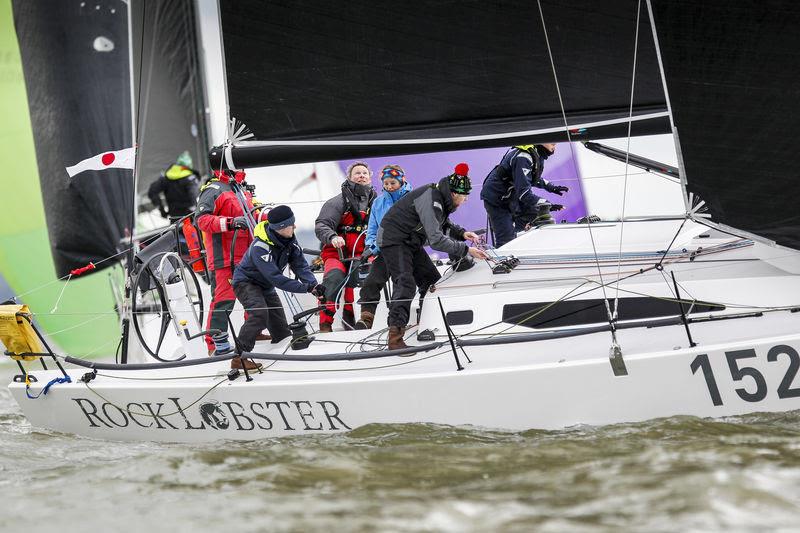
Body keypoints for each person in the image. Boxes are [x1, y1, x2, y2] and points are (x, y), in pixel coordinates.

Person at [378, 163, 488, 350]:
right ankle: (395, 339)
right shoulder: (433, 200)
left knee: (432, 283)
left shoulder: (440, 197)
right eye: (465, 196)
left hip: (410, 241)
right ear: (455, 194)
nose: (466, 200)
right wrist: (466, 250)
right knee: (405, 282)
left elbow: (442, 222)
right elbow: (436, 240)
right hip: (394, 239)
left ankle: (425, 324)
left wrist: (462, 233)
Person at [232, 206, 322, 369]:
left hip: (265, 285)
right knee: (259, 312)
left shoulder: (289, 240)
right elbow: (277, 279)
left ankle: (284, 360)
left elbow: (300, 265)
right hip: (246, 283)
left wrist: (314, 285)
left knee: (282, 333)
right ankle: (240, 357)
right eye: (291, 224)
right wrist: (305, 289)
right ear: (280, 228)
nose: (295, 227)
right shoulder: (260, 247)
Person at [195, 168, 261, 356]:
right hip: (224, 257)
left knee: (255, 297)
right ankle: (214, 344)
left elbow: (254, 216)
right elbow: (201, 220)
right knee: (224, 301)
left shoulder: (241, 189)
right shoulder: (214, 189)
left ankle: (254, 333)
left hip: (248, 255)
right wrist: (230, 222)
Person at [314, 161, 376, 332]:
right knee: (333, 279)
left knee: (361, 279)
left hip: (364, 253)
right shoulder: (337, 202)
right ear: (349, 177)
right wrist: (332, 237)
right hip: (336, 253)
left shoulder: (377, 203)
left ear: (370, 177)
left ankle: (358, 322)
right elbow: (322, 225)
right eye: (357, 173)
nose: (361, 175)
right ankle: (325, 324)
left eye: (364, 173)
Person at [355, 164, 412, 330]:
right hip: (384, 250)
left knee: (400, 285)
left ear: (402, 180)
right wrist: (370, 247)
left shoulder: (412, 199)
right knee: (370, 283)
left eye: (392, 183)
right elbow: (372, 229)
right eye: (386, 183)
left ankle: (395, 324)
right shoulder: (378, 202)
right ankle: (366, 319)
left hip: (406, 250)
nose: (389, 186)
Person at [480, 144, 570, 247]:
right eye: (552, 144)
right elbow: (524, 194)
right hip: (496, 199)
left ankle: (521, 240)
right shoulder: (523, 158)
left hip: (511, 195)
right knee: (506, 242)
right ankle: (510, 248)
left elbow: (531, 177)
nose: (555, 147)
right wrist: (547, 205)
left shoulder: (536, 153)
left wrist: (552, 187)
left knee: (535, 214)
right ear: (542, 141)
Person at [147, 151, 201, 222]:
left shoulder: (165, 178)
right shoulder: (190, 178)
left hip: (175, 219)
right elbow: (194, 195)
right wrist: (197, 210)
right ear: (189, 166)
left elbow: (152, 191)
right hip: (190, 218)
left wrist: (161, 209)